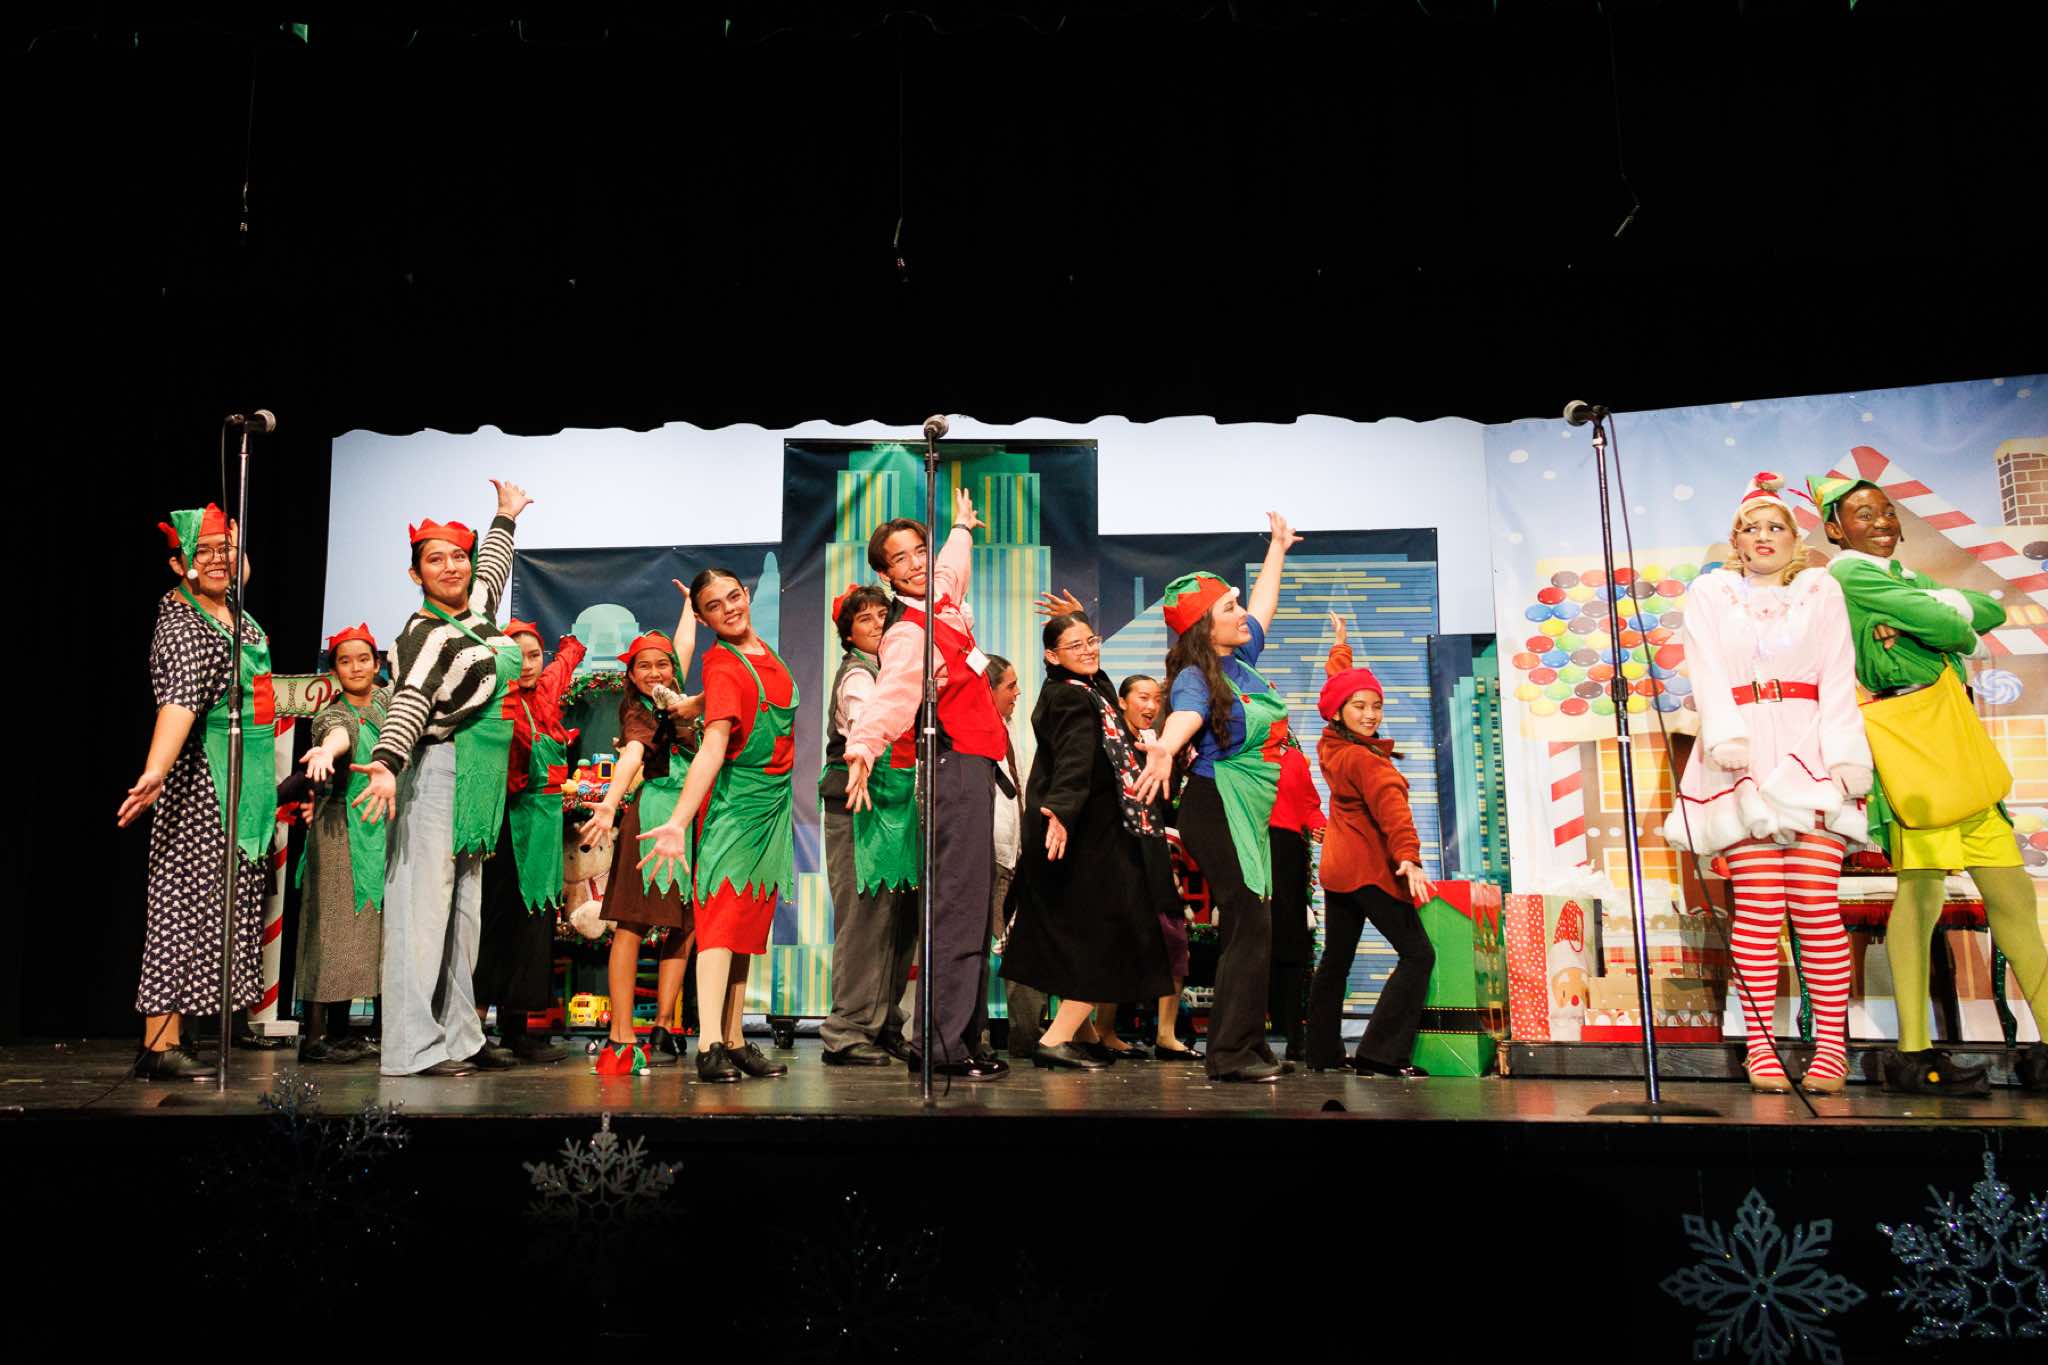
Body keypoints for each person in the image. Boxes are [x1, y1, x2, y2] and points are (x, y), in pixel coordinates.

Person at [1810, 472, 2048, 1095]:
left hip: (1953, 731)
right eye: (1864, 514)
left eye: (1887, 511)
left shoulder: (1901, 578)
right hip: (1912, 738)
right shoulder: (1850, 574)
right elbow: (1954, 630)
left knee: (2012, 897)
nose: (1882, 522)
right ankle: (1913, 1051)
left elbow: (1991, 609)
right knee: (1920, 897)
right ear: (1836, 528)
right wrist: (1943, 622)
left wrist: (1932, 616)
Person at [1662, 473, 1870, 1094]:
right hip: (1741, 756)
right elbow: (1706, 669)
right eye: (1750, 528)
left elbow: (1838, 672)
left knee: (1815, 904)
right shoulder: (1711, 593)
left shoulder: (1820, 589)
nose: (1763, 536)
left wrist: (1846, 756)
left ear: (1794, 538)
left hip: (1810, 749)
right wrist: (1727, 738)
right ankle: (1761, 1049)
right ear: (1735, 540)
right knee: (1756, 907)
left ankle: (1831, 1051)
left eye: (1775, 526)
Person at [350, 480, 534, 1078]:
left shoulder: (474, 615)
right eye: (436, 560)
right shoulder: (422, 634)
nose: (452, 567)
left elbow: (492, 574)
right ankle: (409, 1047)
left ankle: (460, 1036)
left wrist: (504, 517)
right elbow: (409, 700)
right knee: (421, 914)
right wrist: (386, 762)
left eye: (459, 556)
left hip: (476, 780)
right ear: (416, 574)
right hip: (435, 770)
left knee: (462, 917)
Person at [840, 490, 1012, 1081]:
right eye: (901, 559)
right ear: (884, 574)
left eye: (920, 551)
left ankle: (960, 1038)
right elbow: (892, 695)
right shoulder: (909, 632)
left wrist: (961, 526)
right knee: (957, 908)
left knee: (972, 908)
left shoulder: (942, 599)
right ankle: (937, 1046)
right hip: (952, 766)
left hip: (976, 765)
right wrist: (863, 747)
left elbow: (952, 567)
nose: (916, 564)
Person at [1137, 513, 1304, 1083]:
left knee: (1253, 923)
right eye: (1228, 609)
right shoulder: (1195, 676)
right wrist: (1165, 747)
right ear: (1206, 629)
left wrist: (1277, 548)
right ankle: (1230, 1053)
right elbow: (1185, 716)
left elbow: (1264, 606)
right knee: (1248, 920)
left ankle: (1247, 1045)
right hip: (1215, 805)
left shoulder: (1241, 660)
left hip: (1245, 809)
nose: (1241, 615)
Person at [117, 504, 274, 1080]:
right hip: (201, 788)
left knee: (219, 911)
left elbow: (235, 570)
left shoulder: (232, 611)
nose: (216, 561)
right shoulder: (185, 625)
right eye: (200, 552)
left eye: (224, 550)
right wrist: (156, 770)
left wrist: (231, 545)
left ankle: (187, 1035)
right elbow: (180, 704)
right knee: (183, 908)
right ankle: (159, 1045)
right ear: (178, 564)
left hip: (243, 787)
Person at [638, 568, 796, 1084]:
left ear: (746, 595)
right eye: (714, 605)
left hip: (771, 806)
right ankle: (709, 1045)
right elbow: (711, 749)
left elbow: (742, 691)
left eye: (734, 596)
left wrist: (695, 702)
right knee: (722, 925)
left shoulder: (760, 651)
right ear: (704, 619)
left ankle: (734, 1038)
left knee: (747, 925)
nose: (730, 608)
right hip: (736, 807)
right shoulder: (722, 662)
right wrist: (678, 821)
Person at [1002, 613, 1174, 1068]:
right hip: (1078, 830)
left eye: (1091, 641)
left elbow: (1101, 690)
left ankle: (1083, 1033)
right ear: (1051, 656)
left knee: (1081, 931)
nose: (1088, 651)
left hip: (1089, 828)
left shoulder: (1083, 689)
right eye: (1074, 646)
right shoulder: (1069, 699)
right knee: (1104, 933)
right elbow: (1074, 759)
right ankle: (1055, 1039)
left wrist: (1076, 625)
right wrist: (1062, 812)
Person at [1306, 613, 1437, 1077]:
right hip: (1367, 870)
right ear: (1339, 711)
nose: (1370, 714)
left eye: (1376, 706)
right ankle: (1380, 1055)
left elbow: (1337, 684)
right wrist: (1409, 859)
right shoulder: (1366, 761)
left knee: (1336, 961)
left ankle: (1321, 1054)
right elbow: (1393, 812)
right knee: (1419, 955)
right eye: (1360, 706)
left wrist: (1340, 647)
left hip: (1338, 870)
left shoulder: (1331, 744)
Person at [579, 597, 701, 1075]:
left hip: (689, 818)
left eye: (661, 665)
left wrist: (689, 605)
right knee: (631, 924)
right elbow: (631, 755)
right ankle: (621, 1033)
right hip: (653, 815)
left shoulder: (678, 697)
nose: (655, 672)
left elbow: (683, 646)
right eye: (644, 666)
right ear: (630, 675)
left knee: (684, 923)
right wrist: (610, 802)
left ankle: (665, 1026)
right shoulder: (639, 712)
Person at [471, 618, 586, 1066]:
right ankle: (473, 1032)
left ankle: (518, 1030)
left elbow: (566, 660)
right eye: (515, 657)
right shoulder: (495, 701)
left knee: (535, 925)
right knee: (497, 925)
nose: (526, 665)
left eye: (533, 656)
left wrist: (571, 643)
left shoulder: (547, 693)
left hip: (543, 830)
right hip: (507, 823)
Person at [818, 584, 919, 1067]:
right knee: (863, 918)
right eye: (865, 618)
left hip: (897, 803)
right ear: (849, 633)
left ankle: (884, 1024)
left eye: (883, 615)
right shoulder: (858, 675)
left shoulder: (899, 672)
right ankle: (846, 1031)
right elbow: (865, 724)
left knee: (899, 916)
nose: (878, 624)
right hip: (858, 804)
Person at [294, 624, 389, 1064]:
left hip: (382, 827)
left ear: (377, 663)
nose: (355, 668)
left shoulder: (388, 704)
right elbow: (340, 735)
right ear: (334, 670)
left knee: (369, 933)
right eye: (345, 661)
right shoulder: (331, 715)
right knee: (331, 929)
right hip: (337, 829)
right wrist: (326, 752)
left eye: (363, 659)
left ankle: (342, 1031)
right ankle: (314, 1038)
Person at [1121, 672, 1201, 1060]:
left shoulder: (1169, 745)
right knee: (1118, 945)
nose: (1151, 706)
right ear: (1122, 702)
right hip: (1125, 855)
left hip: (1163, 858)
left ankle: (1166, 1034)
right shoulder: (1115, 744)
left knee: (1174, 942)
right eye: (1142, 697)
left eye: (1157, 698)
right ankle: (1104, 1030)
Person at [1268, 738, 1327, 1062]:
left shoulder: (1294, 759)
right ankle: (1245, 1036)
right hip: (1250, 845)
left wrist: (1319, 826)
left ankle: (1295, 1035)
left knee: (1292, 943)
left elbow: (1308, 803)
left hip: (1287, 850)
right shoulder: (1241, 751)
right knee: (1251, 942)